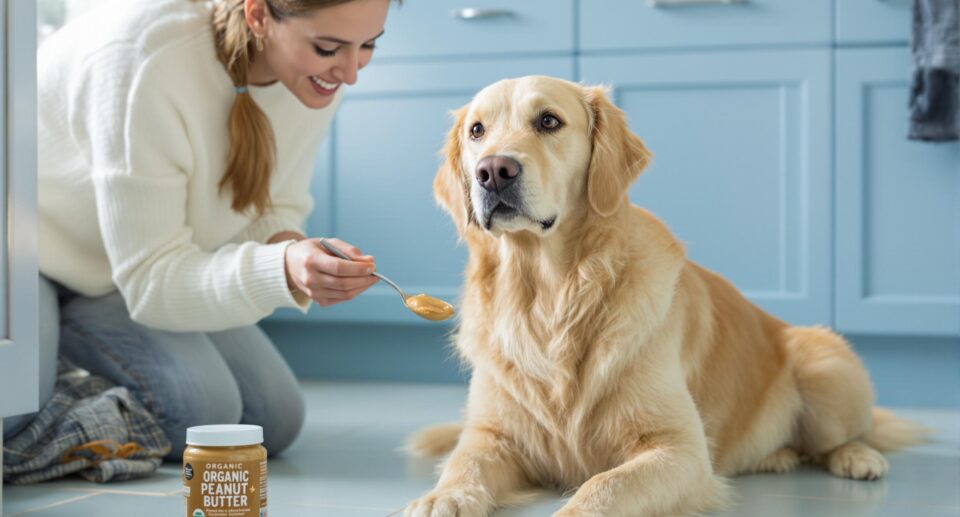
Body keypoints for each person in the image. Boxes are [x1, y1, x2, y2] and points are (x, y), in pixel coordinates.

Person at [4, 0, 393, 459]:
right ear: (259, 16)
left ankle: (78, 356)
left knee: (272, 419)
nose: (350, 72)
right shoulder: (146, 60)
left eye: (367, 45)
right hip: (29, 248)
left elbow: (272, 206)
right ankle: (61, 372)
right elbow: (153, 281)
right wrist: (279, 270)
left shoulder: (314, 78)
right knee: (16, 406)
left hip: (122, 269)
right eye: (329, 47)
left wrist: (296, 252)